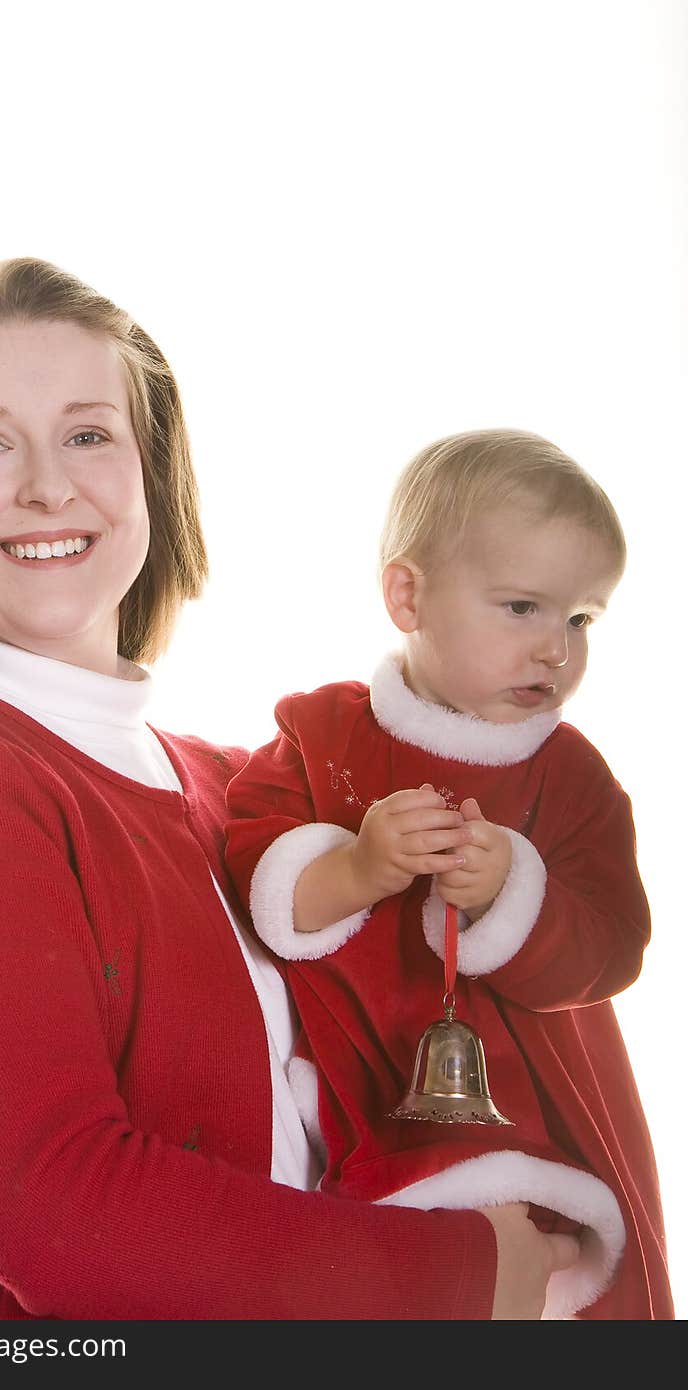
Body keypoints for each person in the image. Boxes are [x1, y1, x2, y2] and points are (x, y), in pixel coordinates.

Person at [0, 260, 578, 1321]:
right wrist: (466, 1274)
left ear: (148, 475)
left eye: (89, 434)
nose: (48, 485)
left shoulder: (235, 789)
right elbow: (64, 1208)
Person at [224, 429, 674, 1319]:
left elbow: (614, 947)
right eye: (522, 608)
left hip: (535, 1110)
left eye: (581, 619)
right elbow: (254, 872)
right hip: (368, 1101)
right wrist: (357, 866)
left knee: (551, 1288)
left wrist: (517, 888)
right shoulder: (323, 738)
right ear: (408, 594)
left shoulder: (572, 778)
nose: (557, 649)